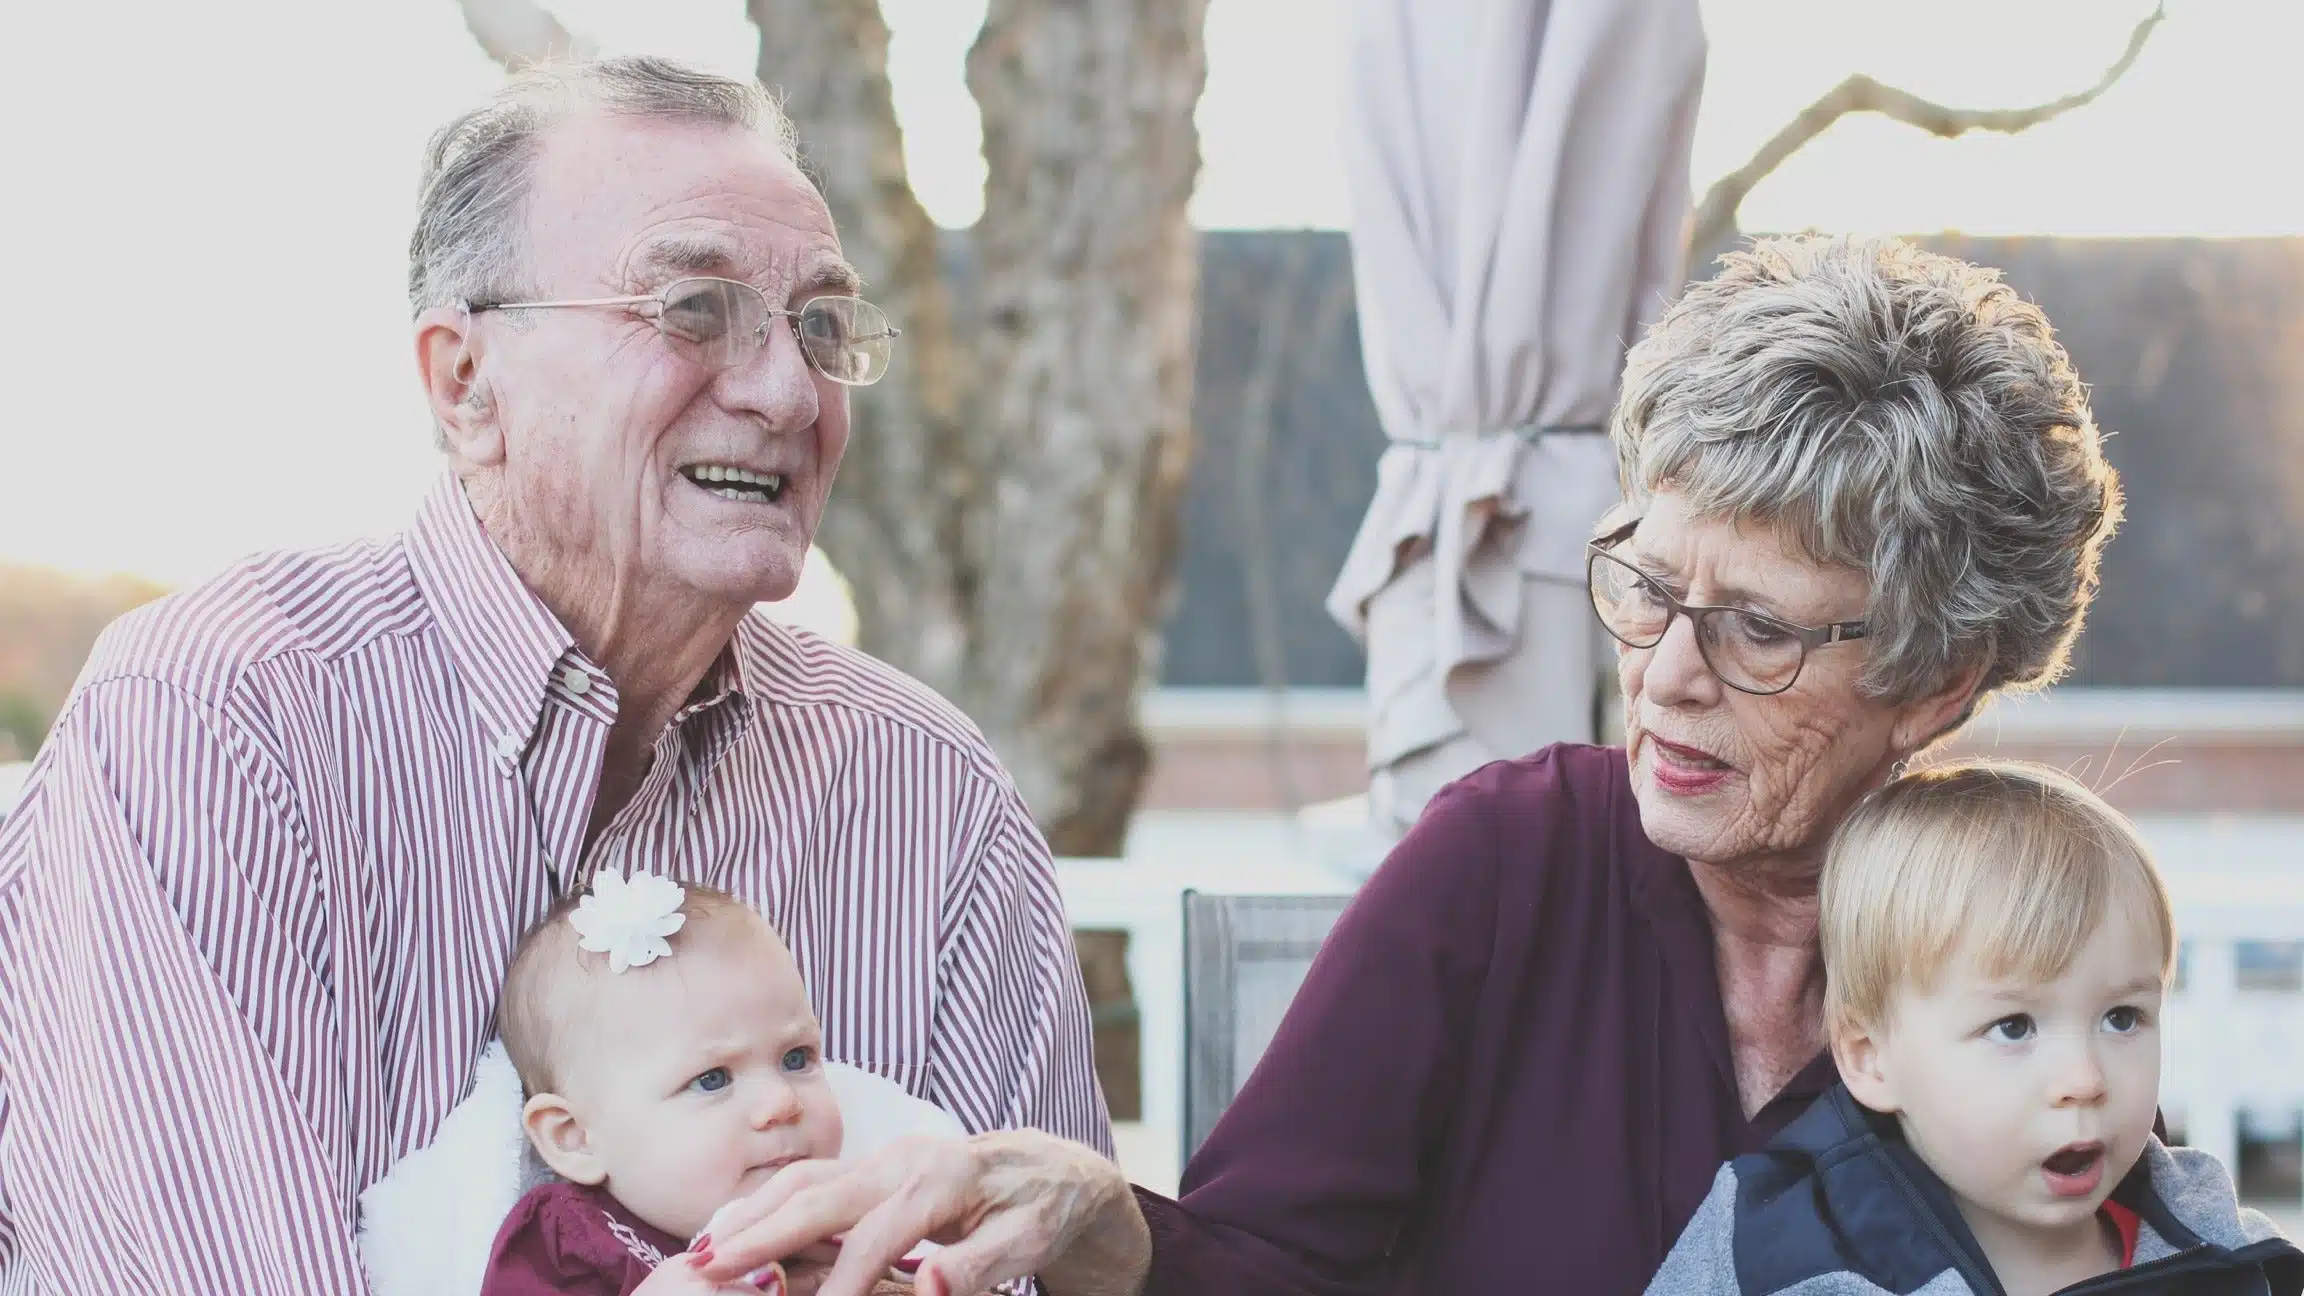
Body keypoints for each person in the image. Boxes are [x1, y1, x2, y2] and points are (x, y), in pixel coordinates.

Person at [693, 234, 2132, 1296]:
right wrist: (1102, 1218)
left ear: (1937, 683)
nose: (1667, 675)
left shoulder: (2029, 946)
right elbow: (1258, 1265)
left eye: (1758, 629)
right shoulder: (1511, 862)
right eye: (1644, 583)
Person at [0, 56, 1107, 1292]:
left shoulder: (927, 792)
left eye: (822, 327)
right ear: (467, 386)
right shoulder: (219, 724)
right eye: (695, 308)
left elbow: (1046, 1271)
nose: (790, 390)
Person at [1649, 762, 2302, 1296]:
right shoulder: (1776, 1254)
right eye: (2014, 1026)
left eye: (2121, 1017)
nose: (2084, 1079)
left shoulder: (2219, 1250)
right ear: (1871, 1058)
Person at [479, 873, 915, 1296]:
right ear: (575, 1138)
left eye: (795, 1058)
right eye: (712, 1079)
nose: (782, 1102)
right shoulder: (569, 1242)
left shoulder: (849, 1228)